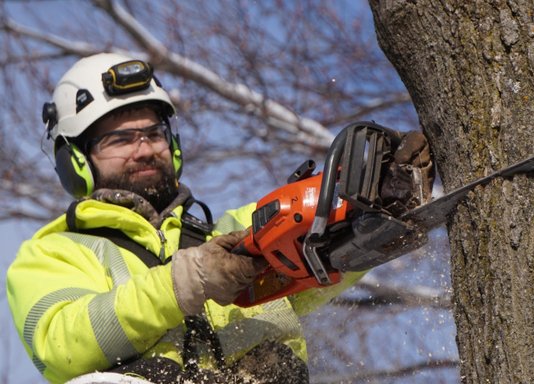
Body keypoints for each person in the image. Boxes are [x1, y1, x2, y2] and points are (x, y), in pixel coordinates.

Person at [6, 53, 434, 384]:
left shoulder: (226, 234)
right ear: (77, 159)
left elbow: (315, 239)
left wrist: (368, 202)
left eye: (153, 133)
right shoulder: (53, 253)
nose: (144, 148)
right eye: (120, 139)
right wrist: (188, 281)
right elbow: (64, 343)